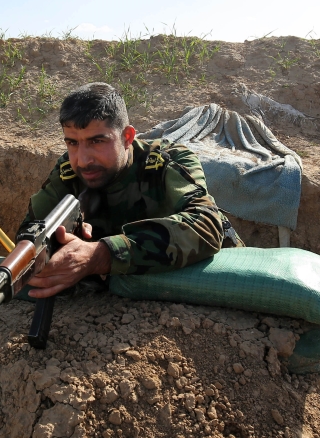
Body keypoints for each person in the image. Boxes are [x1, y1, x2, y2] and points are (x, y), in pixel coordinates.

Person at [18, 82, 242, 299]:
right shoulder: (68, 170)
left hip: (218, 286)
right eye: (72, 143)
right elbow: (32, 230)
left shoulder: (165, 161)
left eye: (96, 141)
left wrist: (100, 255)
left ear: (127, 137)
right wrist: (65, 241)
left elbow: (207, 225)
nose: (83, 160)